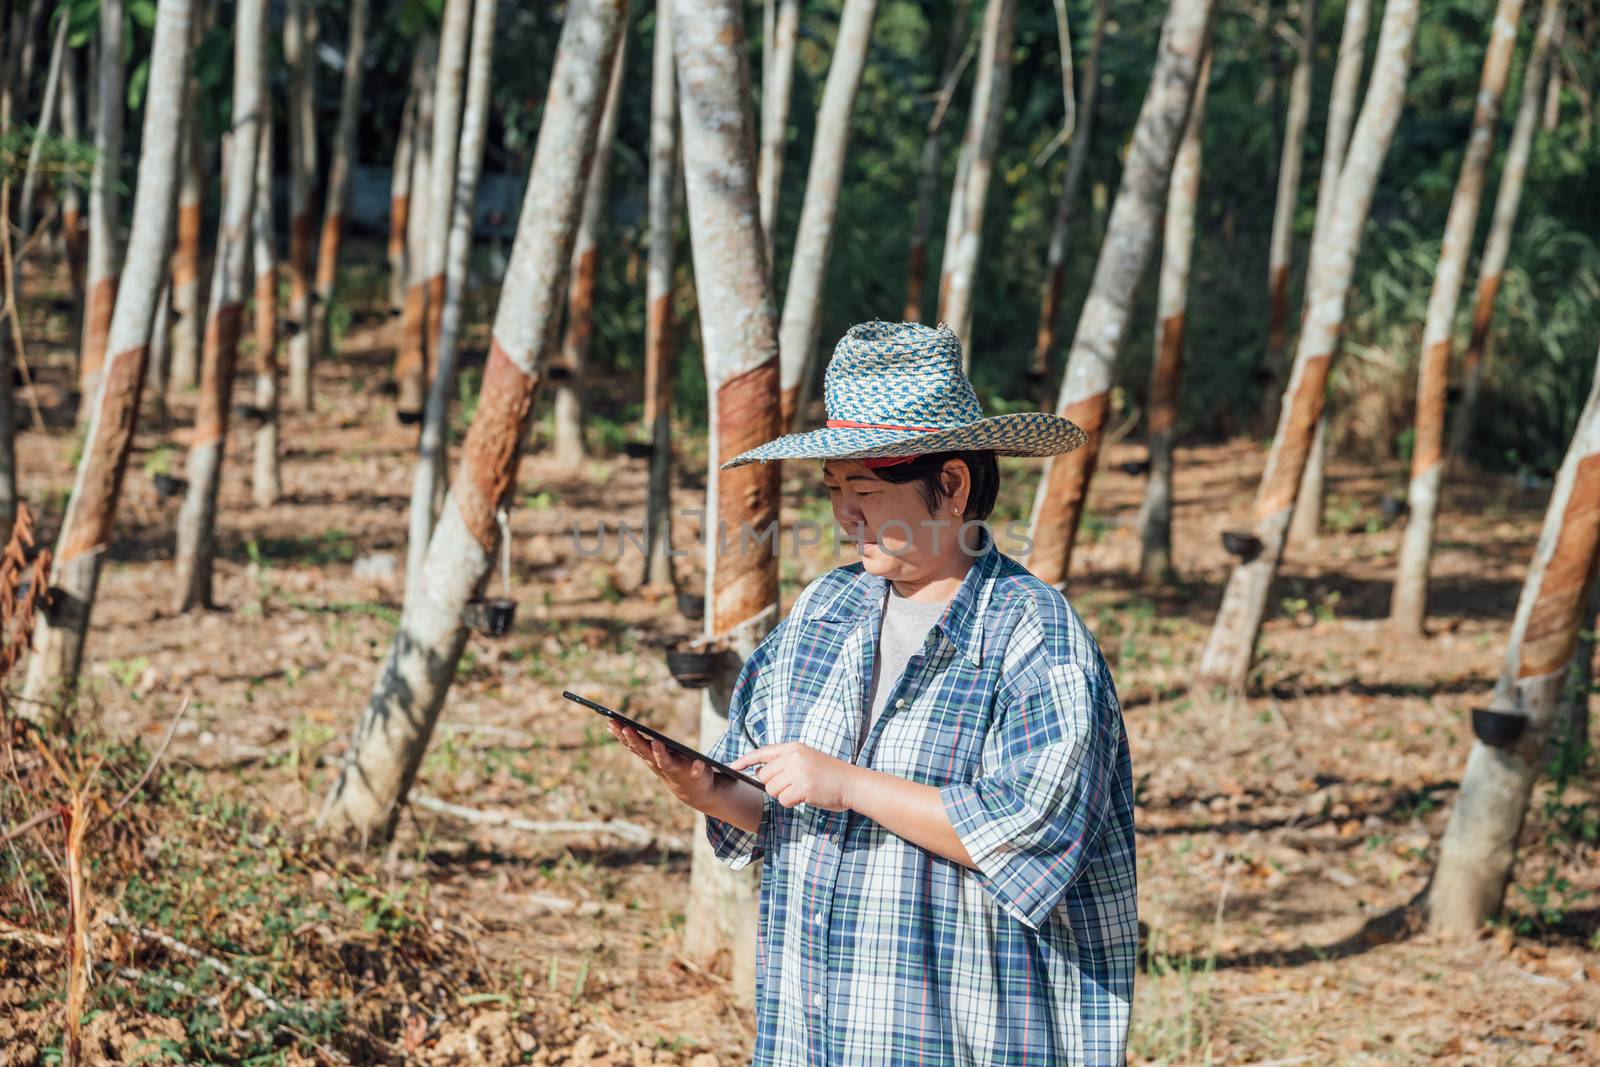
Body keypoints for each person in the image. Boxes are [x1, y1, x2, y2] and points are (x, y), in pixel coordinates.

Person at [610, 321, 1138, 1065]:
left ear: (950, 485)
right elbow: (780, 809)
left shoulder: (1032, 635)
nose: (843, 515)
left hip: (963, 1036)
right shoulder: (825, 612)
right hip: (819, 1029)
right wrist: (703, 785)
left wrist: (846, 782)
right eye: (833, 489)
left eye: (862, 489)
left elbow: (1031, 832)